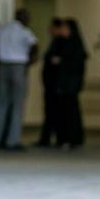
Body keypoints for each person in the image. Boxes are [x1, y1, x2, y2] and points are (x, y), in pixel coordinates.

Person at [0, 8, 38, 151]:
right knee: (18, 104)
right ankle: (12, 141)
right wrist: (31, 60)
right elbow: (35, 45)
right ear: (23, 18)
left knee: (1, 102)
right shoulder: (25, 32)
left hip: (3, 66)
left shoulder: (2, 30)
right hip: (18, 66)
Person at [55, 18, 87, 148]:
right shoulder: (59, 42)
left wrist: (61, 61)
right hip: (62, 83)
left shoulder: (76, 44)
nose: (62, 30)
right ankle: (63, 138)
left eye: (64, 28)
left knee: (71, 111)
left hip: (71, 84)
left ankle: (72, 138)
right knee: (62, 111)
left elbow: (77, 64)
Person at [38, 18, 67, 148]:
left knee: (55, 112)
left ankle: (56, 138)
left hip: (55, 84)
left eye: (51, 27)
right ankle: (47, 137)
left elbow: (58, 61)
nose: (49, 30)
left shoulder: (61, 42)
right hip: (50, 83)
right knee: (50, 112)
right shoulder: (54, 42)